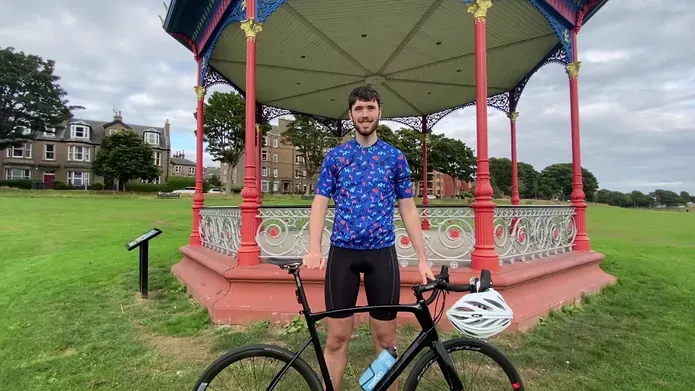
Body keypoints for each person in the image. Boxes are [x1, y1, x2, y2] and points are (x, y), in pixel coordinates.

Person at [302, 85, 433, 391]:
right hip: (342, 256)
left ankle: (379, 387)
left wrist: (423, 258)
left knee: (386, 340)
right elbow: (320, 202)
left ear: (379, 112)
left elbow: (409, 210)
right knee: (336, 339)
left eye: (370, 108)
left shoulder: (395, 158)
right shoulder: (336, 157)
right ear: (350, 114)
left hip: (382, 254)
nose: (365, 114)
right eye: (359, 109)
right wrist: (313, 248)